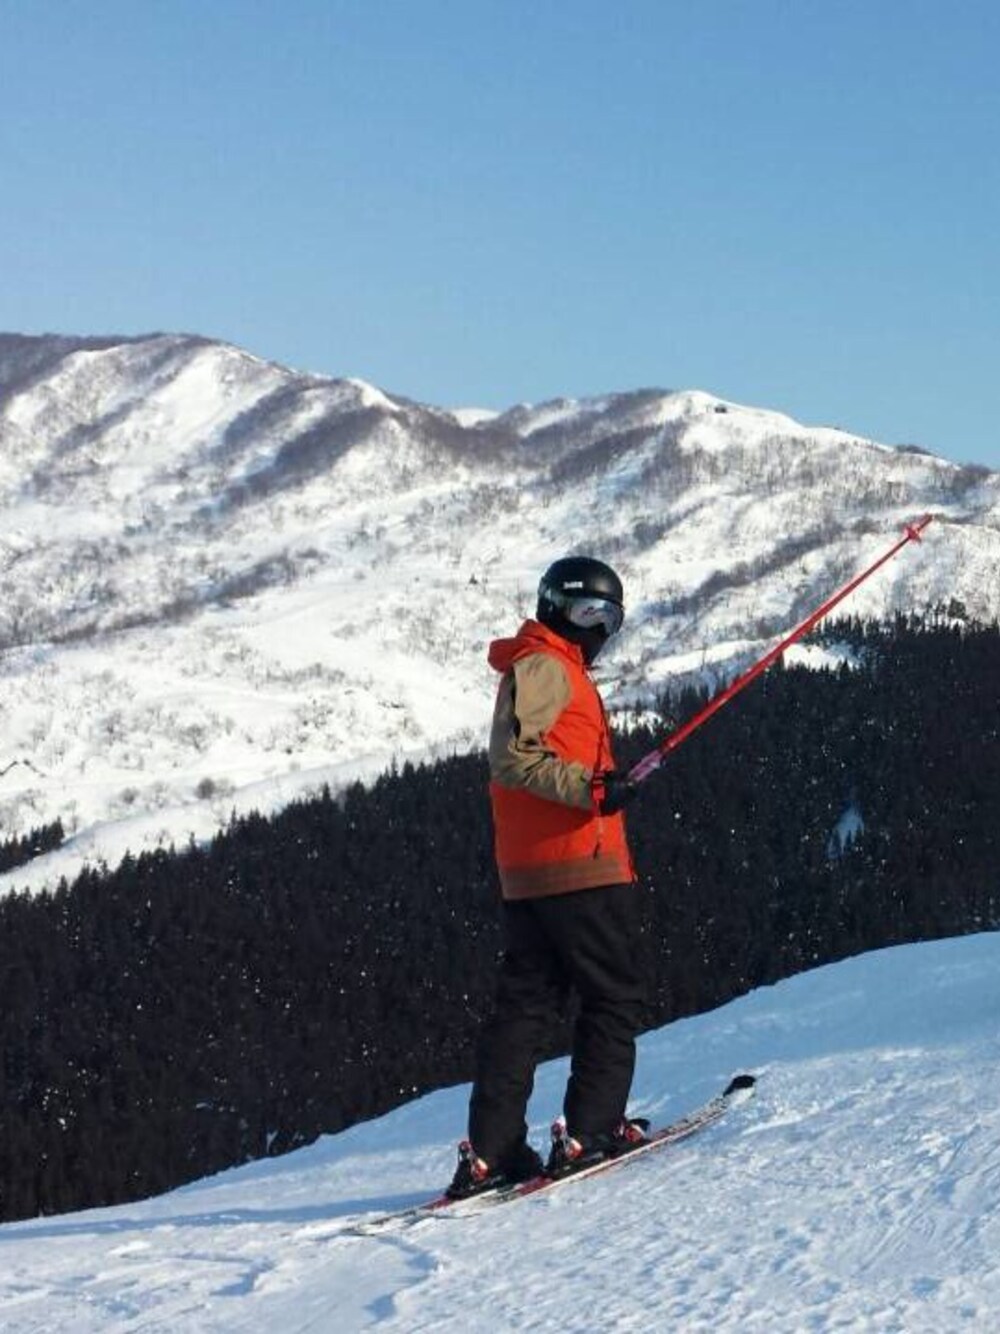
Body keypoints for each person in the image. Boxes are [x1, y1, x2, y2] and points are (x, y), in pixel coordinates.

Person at [447, 555, 647, 1199]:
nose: (600, 629)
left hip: (531, 871)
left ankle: (494, 1149)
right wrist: (592, 789)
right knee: (612, 996)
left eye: (611, 618)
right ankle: (592, 1130)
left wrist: (600, 785)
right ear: (556, 605)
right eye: (591, 612)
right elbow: (513, 758)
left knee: (527, 1008)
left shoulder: (548, 665)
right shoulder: (545, 665)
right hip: (579, 865)